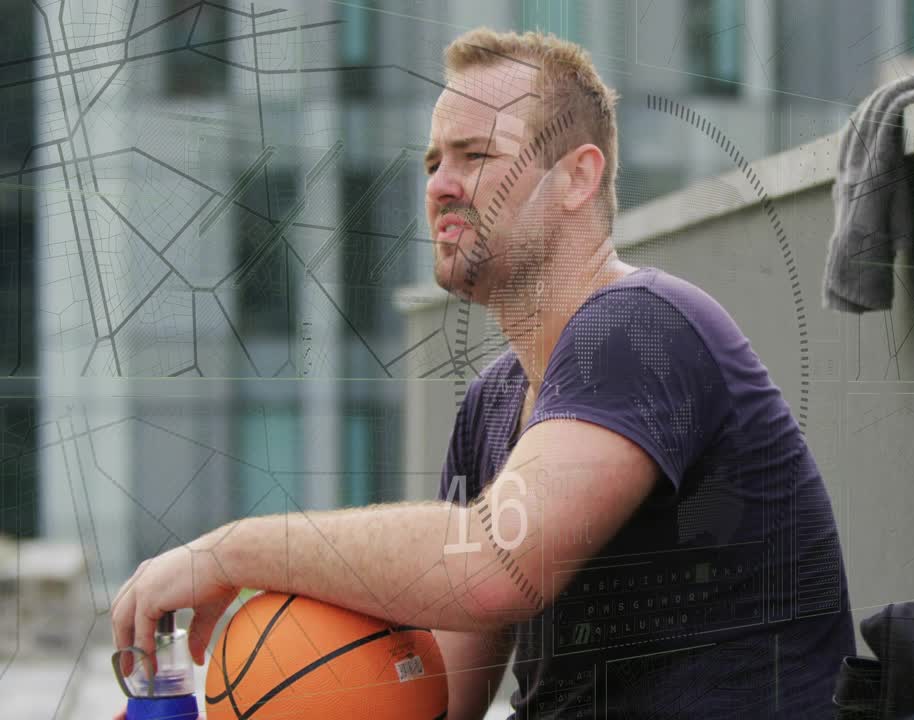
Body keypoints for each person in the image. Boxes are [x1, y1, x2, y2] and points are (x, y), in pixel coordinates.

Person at [111, 28, 854, 719]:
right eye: (433, 162)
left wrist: (227, 554)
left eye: (475, 156)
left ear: (576, 178)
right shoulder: (493, 404)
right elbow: (440, 691)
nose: (439, 184)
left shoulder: (639, 327)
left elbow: (498, 564)